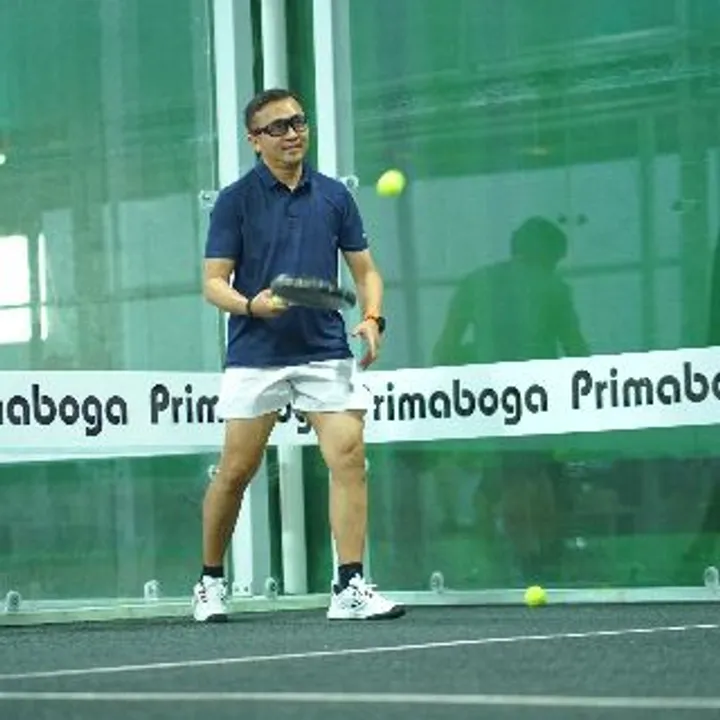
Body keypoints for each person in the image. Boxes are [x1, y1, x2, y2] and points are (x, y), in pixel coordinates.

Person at [193, 88, 404, 623]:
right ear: (254, 140)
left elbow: (365, 272)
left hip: (324, 351)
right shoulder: (235, 201)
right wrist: (251, 305)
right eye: (278, 127)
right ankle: (210, 581)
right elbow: (213, 283)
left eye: (299, 122)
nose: (293, 133)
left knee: (349, 456)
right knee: (235, 471)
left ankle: (349, 585)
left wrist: (373, 318)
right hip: (255, 353)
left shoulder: (334, 196)